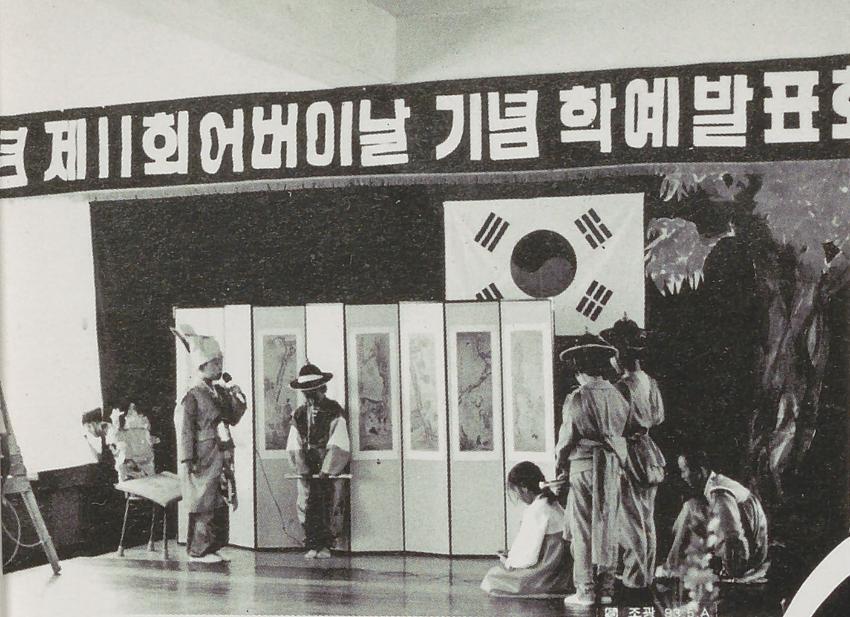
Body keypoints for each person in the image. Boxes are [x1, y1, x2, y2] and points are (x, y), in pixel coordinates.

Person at [555, 334, 629, 607]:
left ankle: (585, 590)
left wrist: (560, 464)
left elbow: (566, 439)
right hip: (611, 465)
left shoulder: (577, 397)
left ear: (578, 367)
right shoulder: (619, 395)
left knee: (583, 529)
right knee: (609, 525)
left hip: (584, 466)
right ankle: (606, 588)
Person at [172, 326, 246, 563]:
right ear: (202, 365)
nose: (219, 366)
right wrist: (187, 459)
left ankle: (214, 545)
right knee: (203, 500)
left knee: (219, 497)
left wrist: (237, 398)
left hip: (221, 450)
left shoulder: (219, 391)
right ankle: (198, 550)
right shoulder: (192, 394)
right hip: (203, 455)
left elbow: (232, 418)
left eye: (220, 362)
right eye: (215, 363)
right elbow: (184, 428)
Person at [603, 316, 667, 592]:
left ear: (619, 354)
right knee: (646, 518)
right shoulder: (649, 382)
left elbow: (614, 425)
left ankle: (635, 579)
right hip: (648, 451)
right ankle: (645, 576)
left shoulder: (621, 387)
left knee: (631, 521)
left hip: (630, 452)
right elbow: (658, 417)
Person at [659, 450, 769, 580]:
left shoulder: (719, 492)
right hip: (747, 545)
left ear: (700, 471)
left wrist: (733, 569)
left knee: (690, 509)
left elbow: (733, 534)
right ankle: (674, 564)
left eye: (684, 470)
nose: (683, 476)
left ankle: (672, 567)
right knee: (691, 506)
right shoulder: (715, 484)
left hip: (751, 553)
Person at [286, 363, 350, 559]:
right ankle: (312, 543)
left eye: (314, 391)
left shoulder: (334, 411)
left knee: (330, 501)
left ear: (323, 388)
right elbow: (294, 443)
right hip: (307, 466)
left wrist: (327, 469)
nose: (310, 396)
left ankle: (326, 545)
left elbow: (339, 441)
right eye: (306, 392)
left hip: (327, 466)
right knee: (306, 502)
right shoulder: (298, 414)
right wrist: (302, 468)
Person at [481, 462, 572, 596]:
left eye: (516, 491)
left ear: (524, 488)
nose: (518, 497)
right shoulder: (551, 502)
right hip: (563, 569)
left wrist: (510, 560)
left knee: (492, 577)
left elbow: (529, 555)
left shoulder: (536, 510)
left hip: (548, 571)